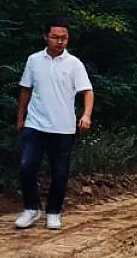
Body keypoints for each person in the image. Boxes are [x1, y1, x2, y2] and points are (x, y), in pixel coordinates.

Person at [14, 18, 94, 231]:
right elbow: (25, 89)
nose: (60, 41)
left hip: (63, 127)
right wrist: (20, 118)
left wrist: (86, 115)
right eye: (55, 37)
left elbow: (87, 91)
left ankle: (54, 212)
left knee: (60, 172)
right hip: (35, 124)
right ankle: (31, 208)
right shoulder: (33, 60)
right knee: (26, 166)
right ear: (45, 37)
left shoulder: (74, 64)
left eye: (64, 38)